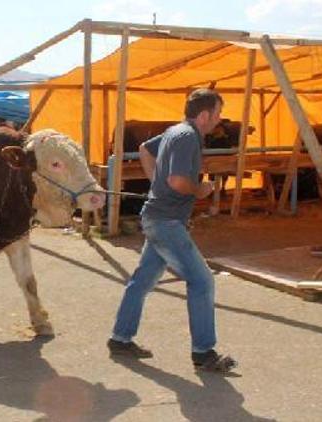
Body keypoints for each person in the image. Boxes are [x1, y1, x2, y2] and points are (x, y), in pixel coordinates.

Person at [107, 88, 237, 372]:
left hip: (156, 218)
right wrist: (200, 190)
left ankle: (120, 338)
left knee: (142, 281)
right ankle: (203, 352)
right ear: (204, 115)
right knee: (202, 282)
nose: (218, 120)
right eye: (217, 115)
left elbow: (144, 149)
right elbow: (178, 181)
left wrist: (157, 183)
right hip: (166, 222)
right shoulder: (189, 137)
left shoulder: (174, 131)